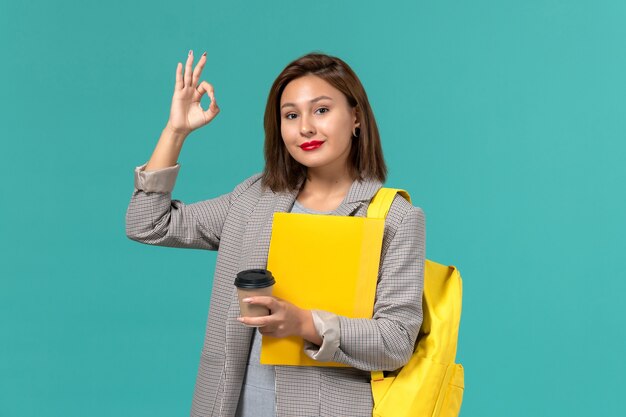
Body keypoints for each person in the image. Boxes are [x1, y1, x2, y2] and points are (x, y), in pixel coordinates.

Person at [125, 50, 425, 417]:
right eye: (291, 115)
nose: (306, 128)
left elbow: (395, 342)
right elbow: (148, 223)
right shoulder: (254, 199)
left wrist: (304, 323)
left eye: (321, 110)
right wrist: (175, 131)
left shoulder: (395, 218)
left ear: (356, 116)